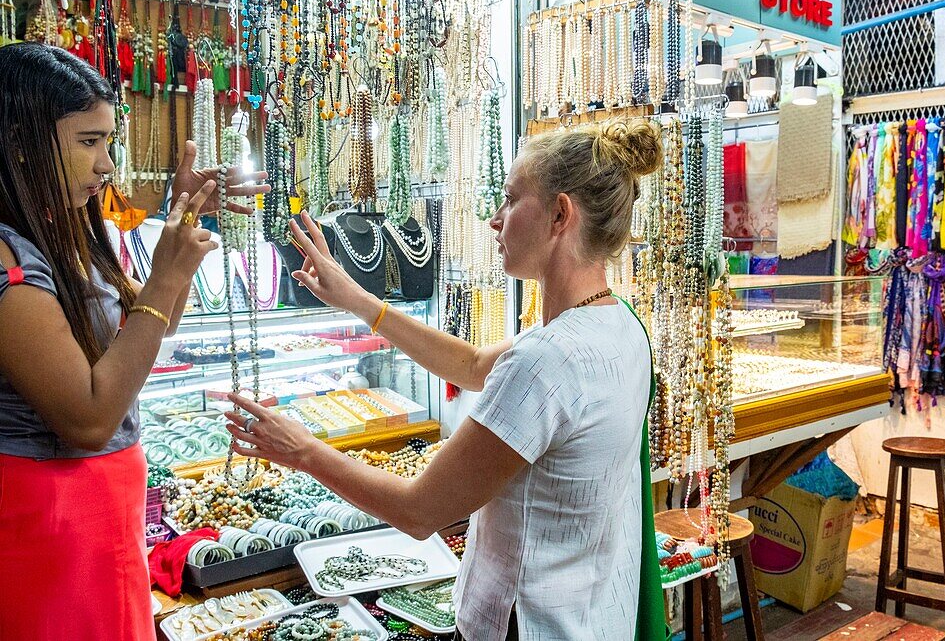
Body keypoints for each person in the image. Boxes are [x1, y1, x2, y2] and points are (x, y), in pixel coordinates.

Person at [225, 119, 666, 640]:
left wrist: (301, 450)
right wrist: (359, 301)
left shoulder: (549, 360)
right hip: (593, 618)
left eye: (509, 199)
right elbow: (475, 366)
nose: (494, 220)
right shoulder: (619, 325)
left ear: (559, 215)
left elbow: (418, 510)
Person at [0, 43, 269, 639]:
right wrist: (167, 274)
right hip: (49, 527)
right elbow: (89, 418)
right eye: (88, 142)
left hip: (102, 517)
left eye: (109, 142)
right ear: (21, 141)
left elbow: (145, 334)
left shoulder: (62, 229)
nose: (106, 166)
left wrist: (181, 226)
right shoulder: (8, 259)